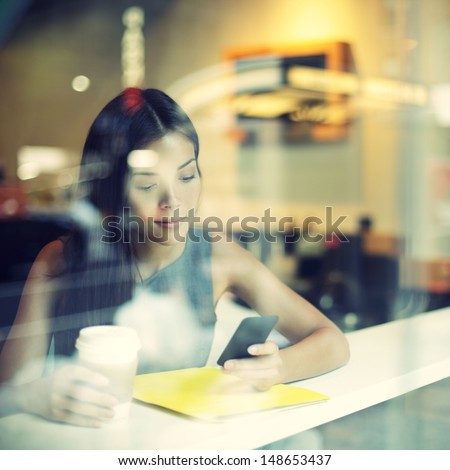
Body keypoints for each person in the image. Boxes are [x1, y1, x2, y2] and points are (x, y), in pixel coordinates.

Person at [0, 88, 350, 427]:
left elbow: (331, 341)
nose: (174, 201)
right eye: (148, 185)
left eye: (186, 176)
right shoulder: (61, 260)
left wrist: (279, 367)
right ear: (112, 188)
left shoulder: (219, 256)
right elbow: (9, 389)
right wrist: (36, 394)